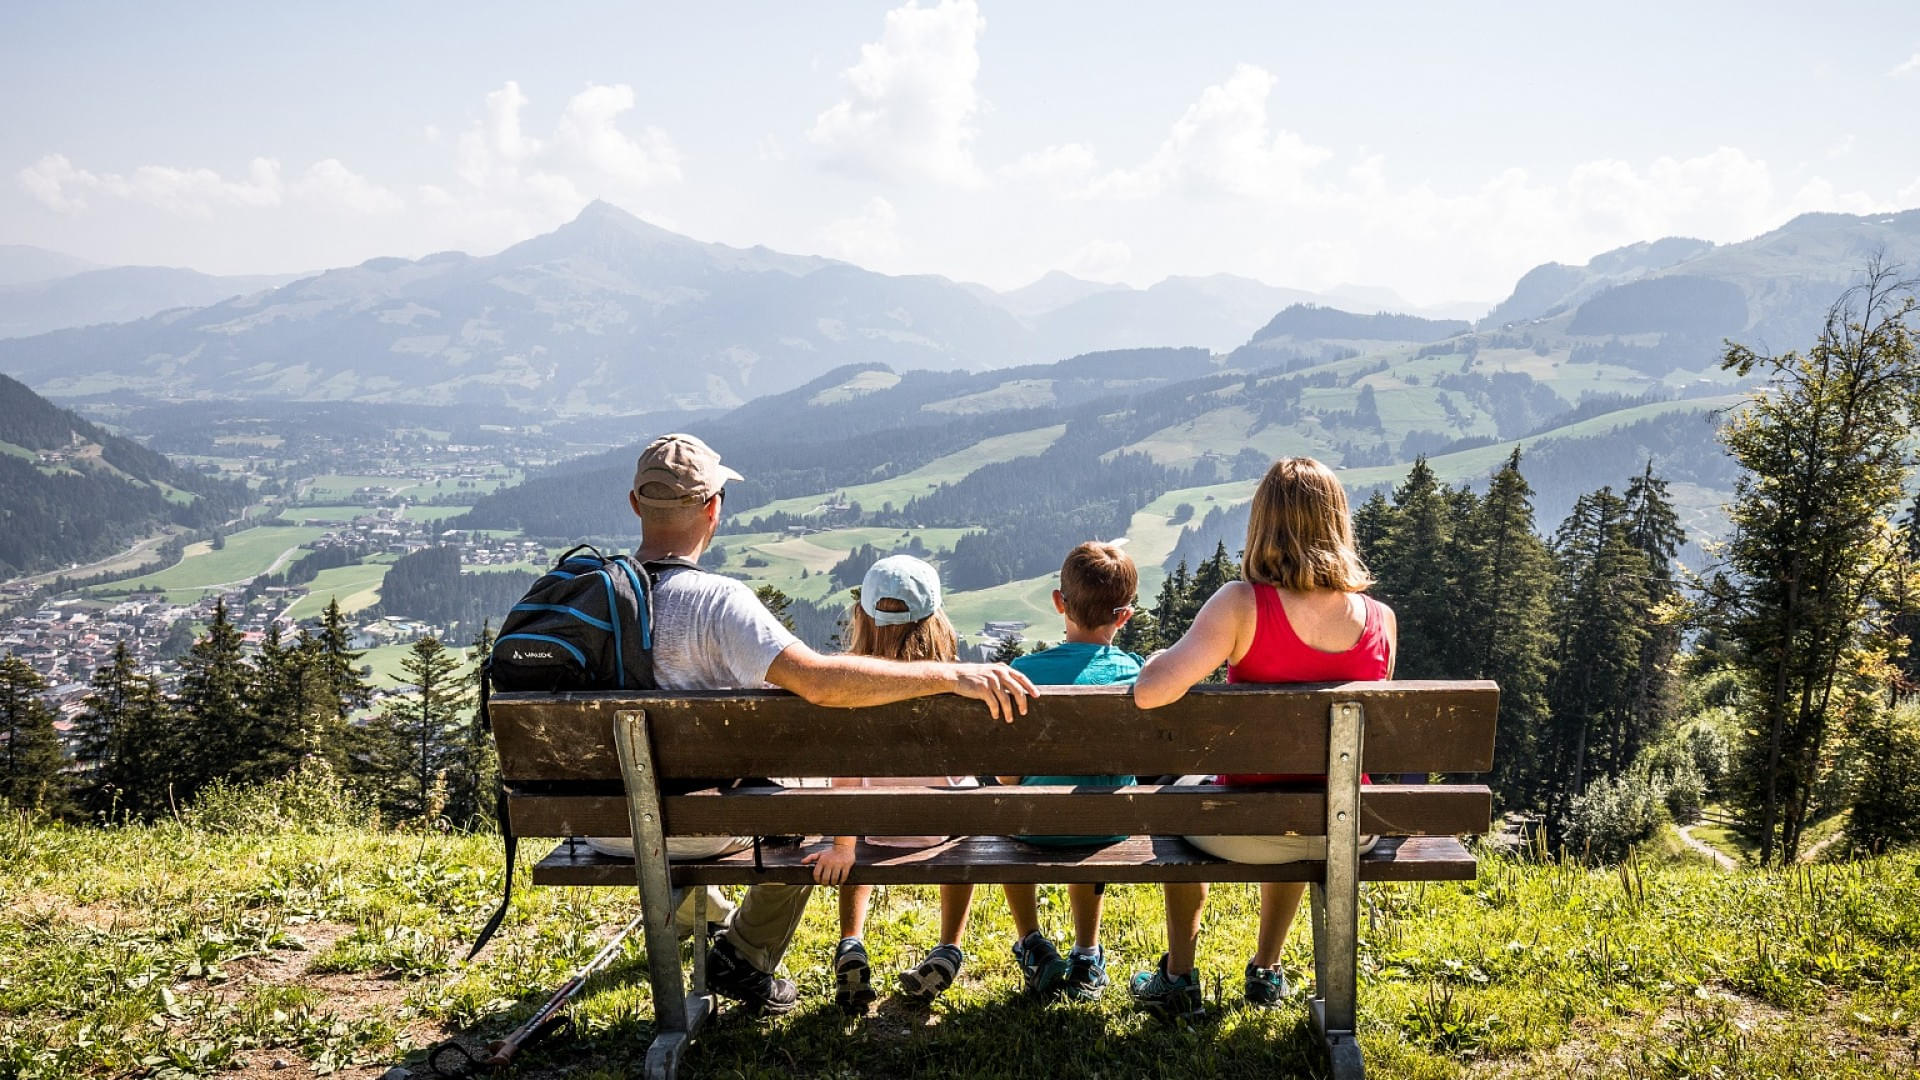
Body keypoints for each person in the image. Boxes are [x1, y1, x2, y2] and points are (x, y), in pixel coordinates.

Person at [600, 434, 1037, 1017]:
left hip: (605, 823)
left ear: (634, 504)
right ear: (714, 507)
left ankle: (699, 914)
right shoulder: (719, 603)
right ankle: (746, 953)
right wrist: (950, 676)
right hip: (695, 827)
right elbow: (823, 684)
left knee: (816, 815)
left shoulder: (592, 594)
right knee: (798, 819)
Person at [1126, 457, 1397, 1020]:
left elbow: (1150, 692)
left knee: (1175, 802)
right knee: (1314, 797)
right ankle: (1267, 969)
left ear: (1263, 524)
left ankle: (1178, 975)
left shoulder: (1241, 604)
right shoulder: (1381, 620)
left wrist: (1157, 658)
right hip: (1346, 831)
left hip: (1246, 829)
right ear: (1337, 524)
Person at [802, 555, 981, 1012]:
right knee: (968, 821)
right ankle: (948, 947)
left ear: (861, 616)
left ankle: (852, 941)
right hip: (943, 831)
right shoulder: (956, 686)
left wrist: (844, 848)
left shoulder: (847, 689)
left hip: (869, 826)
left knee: (854, 820)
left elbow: (845, 781)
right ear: (935, 620)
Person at [994, 541, 1143, 1001]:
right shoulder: (1134, 672)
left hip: (1033, 827)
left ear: (1059, 602)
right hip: (1110, 825)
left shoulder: (1022, 672)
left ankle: (1033, 943)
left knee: (1006, 809)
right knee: (1087, 807)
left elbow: (1006, 777)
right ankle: (1086, 952)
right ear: (1124, 616)